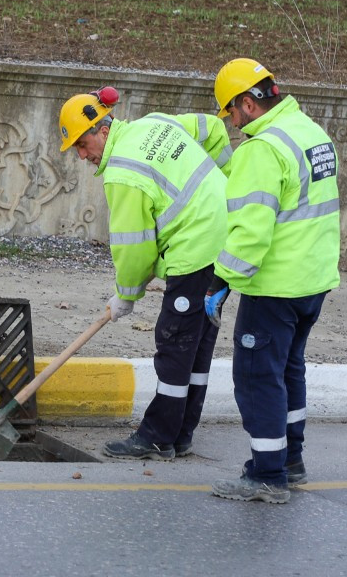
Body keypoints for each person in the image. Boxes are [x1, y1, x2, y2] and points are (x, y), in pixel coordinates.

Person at [59, 86, 227, 460]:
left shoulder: (122, 173)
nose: (82, 155)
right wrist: (224, 184)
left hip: (195, 248)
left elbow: (135, 248)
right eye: (76, 150)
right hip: (227, 241)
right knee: (197, 344)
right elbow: (214, 129)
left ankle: (157, 436)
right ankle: (182, 433)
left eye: (83, 144)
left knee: (174, 341)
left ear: (103, 128)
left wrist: (126, 295)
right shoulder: (156, 123)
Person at [202, 58, 340, 503]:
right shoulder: (312, 133)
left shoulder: (261, 150)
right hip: (313, 282)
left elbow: (250, 231)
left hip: (274, 286)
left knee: (258, 377)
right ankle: (291, 460)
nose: (232, 123)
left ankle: (267, 475)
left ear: (248, 103)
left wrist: (222, 280)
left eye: (231, 112)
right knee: (288, 369)